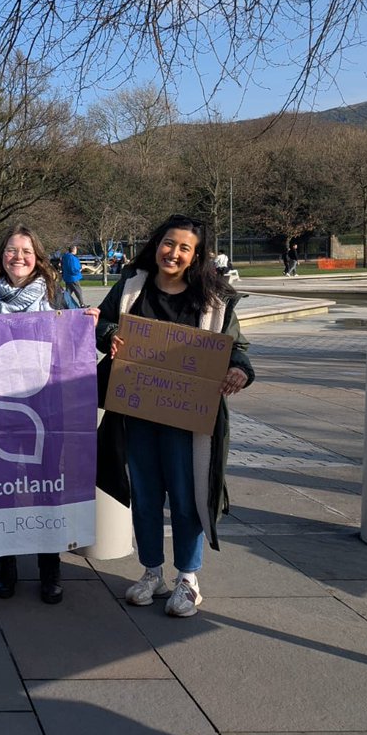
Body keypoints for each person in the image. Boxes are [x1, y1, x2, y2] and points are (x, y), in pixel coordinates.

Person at [96, 214, 254, 618]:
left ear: (196, 255)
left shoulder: (215, 298)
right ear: (157, 244)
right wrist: (109, 335)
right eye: (169, 243)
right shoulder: (132, 286)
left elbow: (236, 349)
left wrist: (240, 370)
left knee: (187, 498)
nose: (174, 253)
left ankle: (188, 578)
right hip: (137, 413)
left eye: (185, 247)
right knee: (146, 497)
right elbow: (105, 322)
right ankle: (152, 572)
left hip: (188, 420)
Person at [0, 225, 99, 605]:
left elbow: (70, 343)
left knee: (46, 488)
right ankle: (6, 565)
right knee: (1, 492)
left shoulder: (55, 296)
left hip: (44, 410)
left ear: (38, 257)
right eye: (11, 250)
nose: (18, 257)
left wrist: (88, 324)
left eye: (26, 251)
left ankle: (50, 568)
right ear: (1, 256)